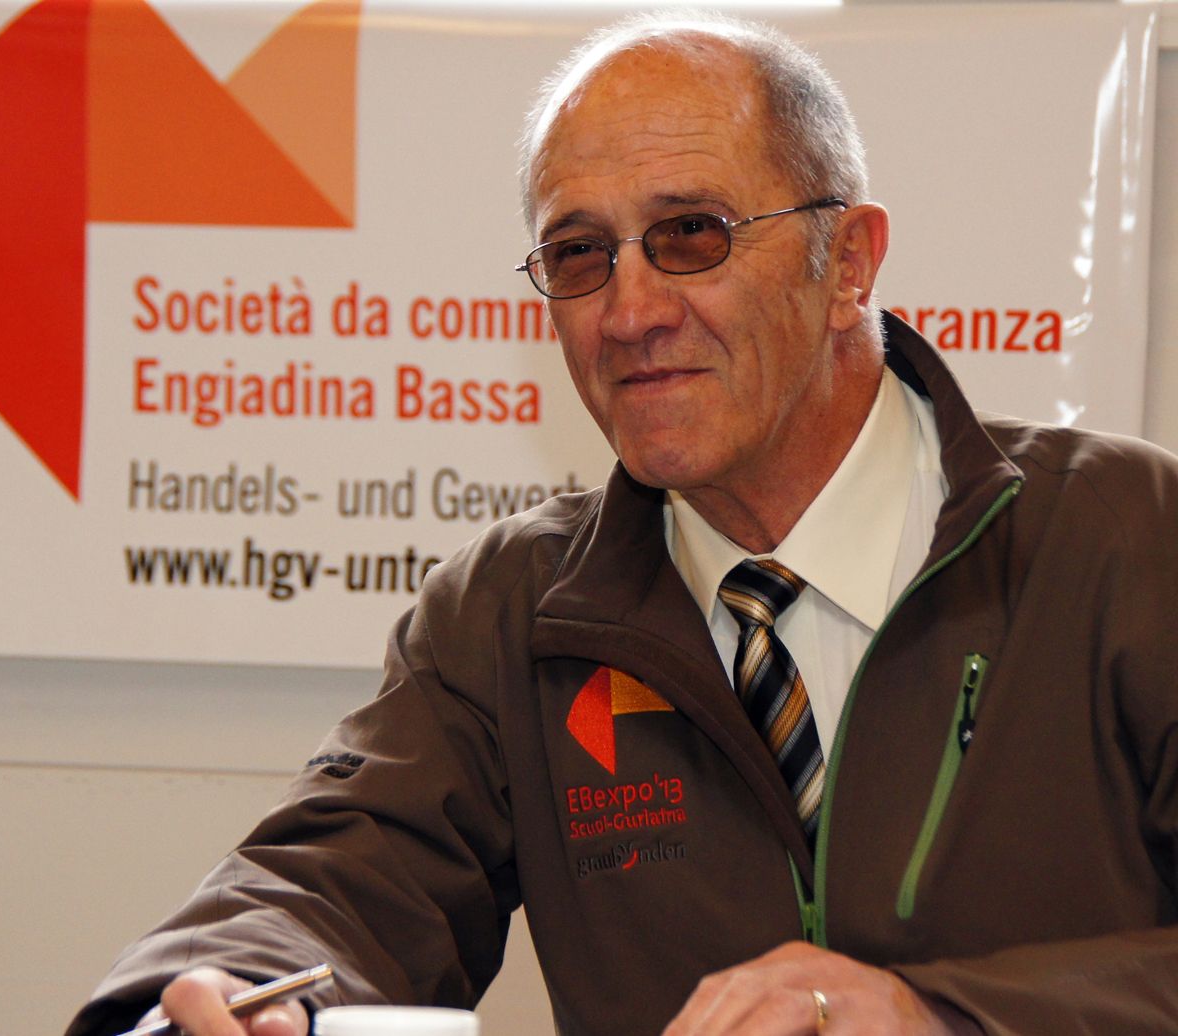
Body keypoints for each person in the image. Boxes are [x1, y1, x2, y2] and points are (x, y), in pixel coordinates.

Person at [68, 11, 1178, 1036]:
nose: (631, 311)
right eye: (580, 254)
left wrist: (939, 1016)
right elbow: (336, 877)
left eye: (692, 233)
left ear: (849, 264)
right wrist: (229, 986)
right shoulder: (513, 611)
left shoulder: (1129, 537)